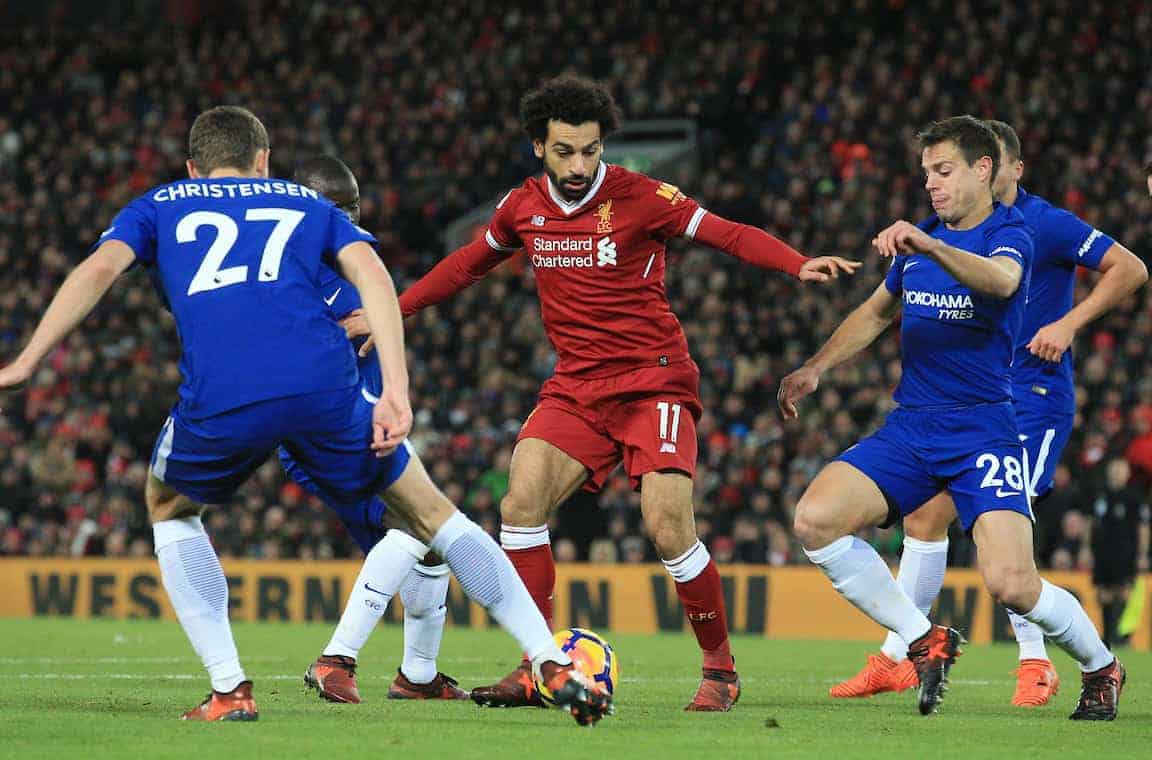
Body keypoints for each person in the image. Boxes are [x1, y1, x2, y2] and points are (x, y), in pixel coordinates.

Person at [0, 106, 610, 727]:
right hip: (324, 386)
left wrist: (25, 362)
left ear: (193, 168)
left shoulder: (157, 204)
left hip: (226, 391)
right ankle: (550, 661)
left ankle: (229, 689)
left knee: (169, 507)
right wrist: (397, 390)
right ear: (264, 160)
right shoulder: (305, 202)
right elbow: (374, 275)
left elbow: (98, 268)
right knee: (436, 516)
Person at [363, 74, 858, 712]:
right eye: (565, 150)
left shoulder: (643, 196)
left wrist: (797, 263)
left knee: (667, 527)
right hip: (576, 387)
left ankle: (720, 671)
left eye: (590, 150)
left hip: (654, 382)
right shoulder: (522, 207)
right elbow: (465, 265)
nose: (579, 164)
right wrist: (393, 312)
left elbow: (726, 232)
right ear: (538, 147)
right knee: (520, 505)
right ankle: (536, 663)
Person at [778, 115, 1125, 720]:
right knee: (815, 520)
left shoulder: (1010, 231)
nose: (932, 185)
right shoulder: (923, 243)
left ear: (983, 169)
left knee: (1013, 584)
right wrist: (816, 368)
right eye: (926, 174)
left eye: (944, 171)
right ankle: (922, 639)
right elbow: (875, 313)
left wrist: (931, 243)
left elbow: (1002, 281)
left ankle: (1101, 666)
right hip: (913, 426)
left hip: (983, 429)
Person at [281, 155, 465, 702]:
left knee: (427, 548)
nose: (351, 219)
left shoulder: (331, 264)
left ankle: (419, 676)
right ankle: (336, 660)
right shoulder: (316, 274)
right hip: (337, 431)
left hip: (347, 426)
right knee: (417, 526)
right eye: (339, 208)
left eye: (354, 206)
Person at [1086, 458, 1150, 647]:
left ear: (1127, 474)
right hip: (1102, 551)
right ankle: (1106, 635)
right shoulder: (1100, 494)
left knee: (1123, 591)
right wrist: (1085, 548)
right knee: (1103, 593)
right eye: (1114, 469)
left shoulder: (1134, 497)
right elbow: (1091, 523)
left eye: (1120, 470)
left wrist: (1142, 554)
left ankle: (1121, 635)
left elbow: (1143, 527)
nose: (1116, 473)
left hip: (1125, 552)